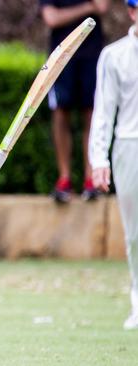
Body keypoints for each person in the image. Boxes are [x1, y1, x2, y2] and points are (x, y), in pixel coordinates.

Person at [89, 0, 138, 330]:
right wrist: (99, 159)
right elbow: (104, 110)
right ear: (132, 12)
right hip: (129, 146)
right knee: (135, 233)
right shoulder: (114, 56)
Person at [39, 0, 109, 203]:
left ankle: (90, 178)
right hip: (61, 56)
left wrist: (74, 12)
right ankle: (64, 179)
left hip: (92, 55)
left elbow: (103, 6)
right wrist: (88, 8)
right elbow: (52, 18)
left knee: (91, 113)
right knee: (61, 112)